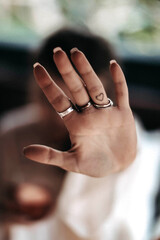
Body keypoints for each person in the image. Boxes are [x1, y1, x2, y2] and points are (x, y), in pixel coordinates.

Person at [0, 27, 160, 240]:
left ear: (106, 93)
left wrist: (113, 173)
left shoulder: (133, 148)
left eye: (77, 105)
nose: (61, 118)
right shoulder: (13, 134)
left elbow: (123, 228)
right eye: (51, 101)